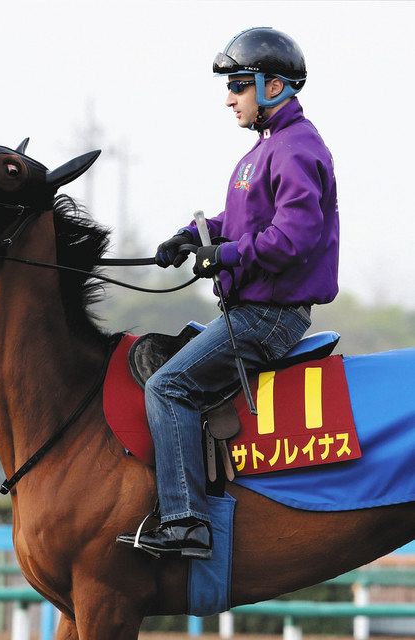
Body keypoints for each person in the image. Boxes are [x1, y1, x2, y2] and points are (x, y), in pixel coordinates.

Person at [117, 27, 339, 559]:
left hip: (269, 317)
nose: (229, 98)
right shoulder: (262, 151)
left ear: (275, 87)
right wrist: (192, 237)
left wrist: (229, 255)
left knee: (168, 388)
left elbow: (294, 237)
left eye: (239, 86)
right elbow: (238, 221)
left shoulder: (294, 149)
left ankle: (186, 522)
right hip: (251, 308)